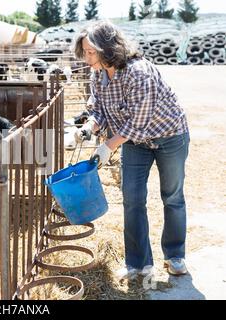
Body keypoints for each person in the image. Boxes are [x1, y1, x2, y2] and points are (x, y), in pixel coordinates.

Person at [73, 20, 190, 280]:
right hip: (134, 143)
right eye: (85, 52)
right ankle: (138, 263)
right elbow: (98, 110)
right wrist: (87, 129)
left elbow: (139, 121)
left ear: (108, 47)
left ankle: (174, 256)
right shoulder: (97, 75)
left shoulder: (139, 72)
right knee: (132, 198)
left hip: (169, 136)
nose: (87, 58)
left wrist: (107, 146)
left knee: (172, 196)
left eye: (91, 51)